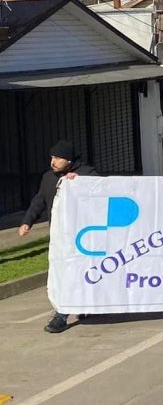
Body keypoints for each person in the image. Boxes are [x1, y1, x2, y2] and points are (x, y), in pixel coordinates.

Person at [19, 140, 97, 333]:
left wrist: (80, 182)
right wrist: (27, 221)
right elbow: (39, 201)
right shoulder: (48, 178)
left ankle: (63, 315)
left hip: (83, 237)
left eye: (58, 158)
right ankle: (70, 309)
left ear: (69, 160)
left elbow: (101, 191)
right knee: (63, 275)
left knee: (77, 274)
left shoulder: (86, 173)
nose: (53, 161)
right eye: (52, 157)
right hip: (59, 236)